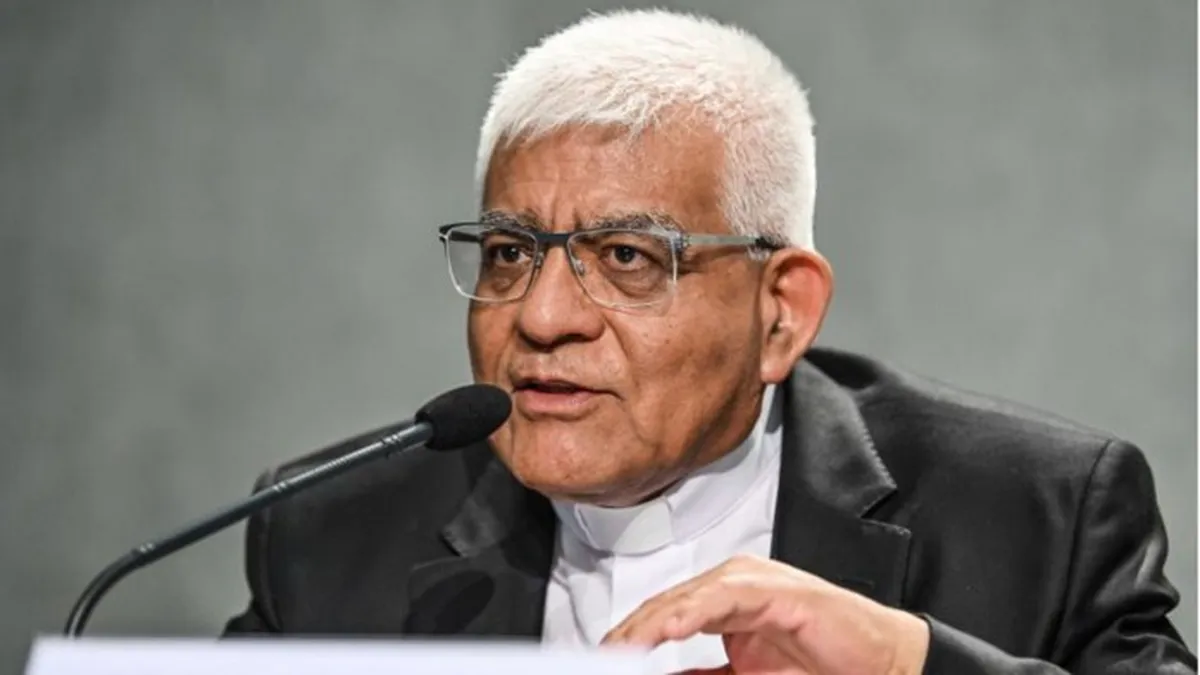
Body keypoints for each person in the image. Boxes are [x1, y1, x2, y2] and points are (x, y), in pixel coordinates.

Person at [223, 9, 1195, 674]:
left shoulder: (1036, 513)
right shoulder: (327, 534)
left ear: (782, 312)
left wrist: (905, 663)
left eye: (627, 257)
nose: (544, 317)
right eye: (511, 252)